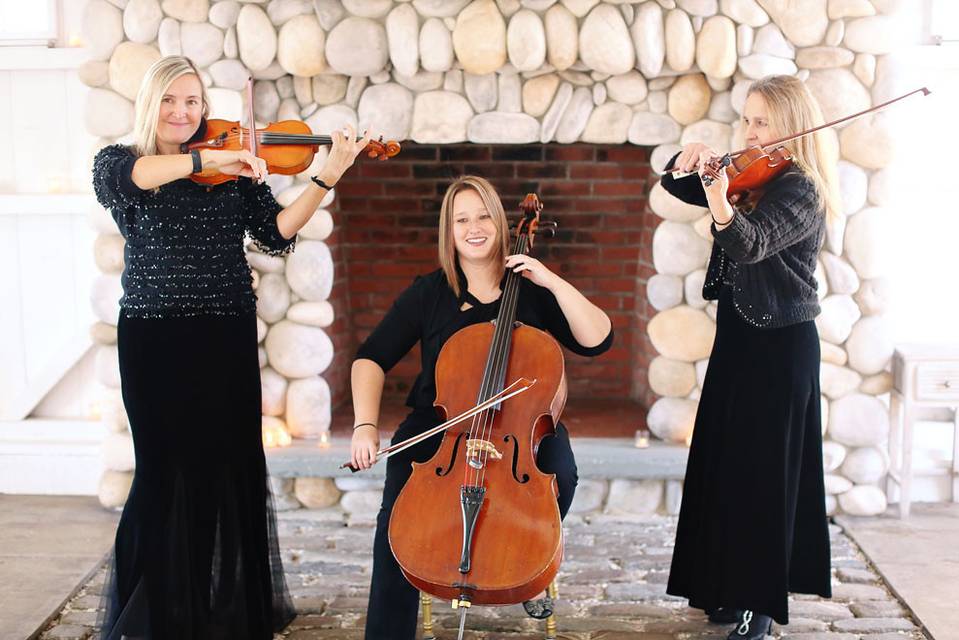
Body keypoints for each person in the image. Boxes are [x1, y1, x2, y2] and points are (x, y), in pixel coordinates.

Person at [91, 55, 372, 639]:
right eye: (171, 100)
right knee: (163, 473)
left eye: (192, 101)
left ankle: (216, 610)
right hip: (155, 338)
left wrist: (326, 176)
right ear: (152, 104)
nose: (182, 111)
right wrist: (209, 157)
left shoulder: (237, 172)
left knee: (228, 467)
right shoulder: (120, 163)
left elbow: (276, 233)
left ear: (205, 109)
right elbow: (139, 179)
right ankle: (156, 614)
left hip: (224, 334)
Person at [349, 176, 613, 640]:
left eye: (483, 215)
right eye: (462, 219)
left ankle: (528, 554)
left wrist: (549, 279)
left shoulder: (532, 290)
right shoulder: (429, 293)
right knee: (398, 514)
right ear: (448, 232)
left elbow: (598, 338)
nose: (474, 228)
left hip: (522, 428)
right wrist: (364, 425)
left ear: (502, 222)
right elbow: (371, 358)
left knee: (561, 473)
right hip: (443, 425)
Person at [661, 75, 838, 639]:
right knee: (723, 463)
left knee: (765, 476)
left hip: (782, 345)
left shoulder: (803, 190)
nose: (749, 131)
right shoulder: (753, 175)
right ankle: (718, 587)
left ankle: (760, 605)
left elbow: (751, 242)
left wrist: (719, 199)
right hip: (739, 336)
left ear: (790, 126)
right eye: (746, 119)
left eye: (761, 121)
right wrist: (684, 160)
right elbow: (676, 187)